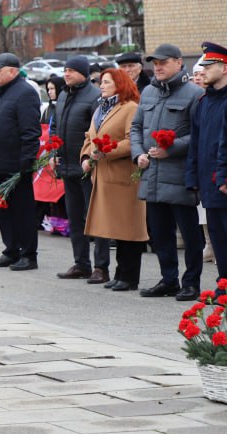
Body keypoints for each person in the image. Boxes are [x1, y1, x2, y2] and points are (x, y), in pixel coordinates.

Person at [130, 44, 204, 300]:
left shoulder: (194, 94)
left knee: (190, 234)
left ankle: (192, 282)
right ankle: (168, 279)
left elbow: (199, 135)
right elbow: (137, 127)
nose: (157, 67)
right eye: (155, 63)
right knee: (159, 233)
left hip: (180, 175)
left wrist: (171, 148)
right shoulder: (149, 92)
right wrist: (138, 153)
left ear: (179, 63)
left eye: (163, 62)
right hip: (152, 175)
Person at [80, 69, 146, 291]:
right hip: (103, 176)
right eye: (101, 82)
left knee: (128, 228)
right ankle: (120, 273)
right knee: (116, 229)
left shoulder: (130, 108)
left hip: (123, 177)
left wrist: (108, 151)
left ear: (120, 84)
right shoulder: (100, 108)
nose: (101, 85)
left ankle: (129, 276)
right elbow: (90, 136)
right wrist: (87, 156)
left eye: (106, 82)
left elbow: (132, 140)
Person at [0, 53, 44, 270]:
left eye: (0, 69)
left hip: (16, 165)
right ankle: (11, 249)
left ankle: (28, 254)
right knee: (3, 209)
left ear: (13, 71)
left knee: (22, 211)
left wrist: (26, 161)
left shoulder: (25, 92)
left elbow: (30, 132)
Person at [54, 56, 104, 283]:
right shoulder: (64, 95)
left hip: (87, 167)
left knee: (95, 217)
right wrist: (55, 154)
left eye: (72, 70)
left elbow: (99, 131)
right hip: (67, 166)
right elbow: (58, 128)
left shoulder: (94, 96)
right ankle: (81, 263)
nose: (66, 74)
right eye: (65, 70)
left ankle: (101, 267)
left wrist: (91, 159)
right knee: (75, 218)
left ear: (84, 73)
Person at [188, 42, 227, 292]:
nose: (203, 70)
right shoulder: (203, 102)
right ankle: (223, 286)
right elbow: (196, 144)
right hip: (209, 184)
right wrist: (192, 178)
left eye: (208, 65)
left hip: (223, 183)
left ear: (224, 68)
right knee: (219, 238)